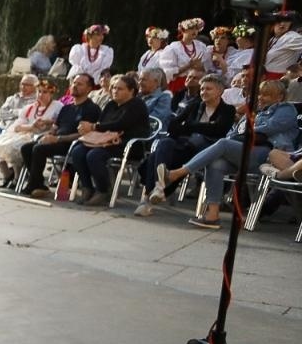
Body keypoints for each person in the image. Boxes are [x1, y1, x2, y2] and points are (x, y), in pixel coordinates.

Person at [165, 79, 300, 229]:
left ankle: (179, 172)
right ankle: (212, 215)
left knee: (223, 144)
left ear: (280, 97)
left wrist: (249, 127)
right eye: (260, 94)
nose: (261, 98)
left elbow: (271, 127)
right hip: (246, 151)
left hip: (269, 155)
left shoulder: (286, 109)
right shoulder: (256, 111)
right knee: (215, 163)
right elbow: (235, 131)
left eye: (266, 95)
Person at [134, 74, 234, 217]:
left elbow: (219, 130)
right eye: (202, 89)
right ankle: (158, 187)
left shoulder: (227, 110)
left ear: (220, 91)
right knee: (166, 143)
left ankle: (149, 197)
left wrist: (190, 126)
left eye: (209, 89)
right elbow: (173, 126)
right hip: (184, 145)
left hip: (205, 150)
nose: (204, 92)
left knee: (158, 157)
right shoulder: (195, 105)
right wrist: (201, 127)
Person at [67, 74, 151, 206]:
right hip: (105, 142)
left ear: (131, 91)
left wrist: (93, 126)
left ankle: (103, 190)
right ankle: (87, 187)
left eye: (120, 89)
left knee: (94, 155)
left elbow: (121, 124)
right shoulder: (111, 104)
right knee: (78, 151)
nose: (115, 91)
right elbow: (103, 122)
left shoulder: (137, 105)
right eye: (113, 88)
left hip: (127, 145)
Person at [17, 74, 101, 198]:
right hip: (57, 140)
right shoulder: (66, 108)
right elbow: (55, 128)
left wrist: (57, 138)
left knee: (38, 149)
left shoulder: (92, 109)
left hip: (72, 143)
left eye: (80, 84)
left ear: (89, 89)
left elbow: (84, 134)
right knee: (26, 148)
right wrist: (48, 135)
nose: (75, 86)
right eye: (74, 83)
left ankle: (33, 185)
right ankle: (39, 184)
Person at [0, 77, 59, 186]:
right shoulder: (30, 108)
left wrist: (48, 122)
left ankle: (17, 177)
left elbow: (58, 123)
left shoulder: (57, 106)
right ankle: (7, 174)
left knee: (14, 147)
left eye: (45, 92)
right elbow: (17, 126)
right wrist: (31, 127)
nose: (41, 95)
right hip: (25, 132)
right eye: (39, 92)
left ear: (51, 94)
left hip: (39, 136)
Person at [156, 17, 210, 94]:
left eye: (196, 29)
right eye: (191, 28)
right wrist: (188, 66)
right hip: (178, 85)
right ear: (183, 30)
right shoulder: (173, 48)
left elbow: (208, 67)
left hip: (198, 84)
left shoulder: (201, 46)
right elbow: (167, 73)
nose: (194, 31)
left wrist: (200, 66)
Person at [260, 14, 302, 80]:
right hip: (265, 78)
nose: (282, 24)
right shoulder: (273, 38)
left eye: (287, 21)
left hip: (279, 80)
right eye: (279, 21)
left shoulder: (292, 37)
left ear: (291, 24)